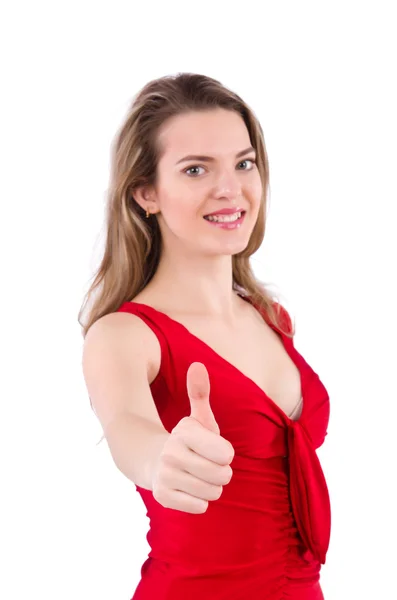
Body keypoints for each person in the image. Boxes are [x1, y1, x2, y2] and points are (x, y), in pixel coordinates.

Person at [80, 72, 331, 600]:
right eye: (196, 169)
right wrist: (160, 460)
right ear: (146, 193)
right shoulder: (124, 335)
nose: (230, 188)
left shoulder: (271, 317)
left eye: (243, 163)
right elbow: (130, 430)